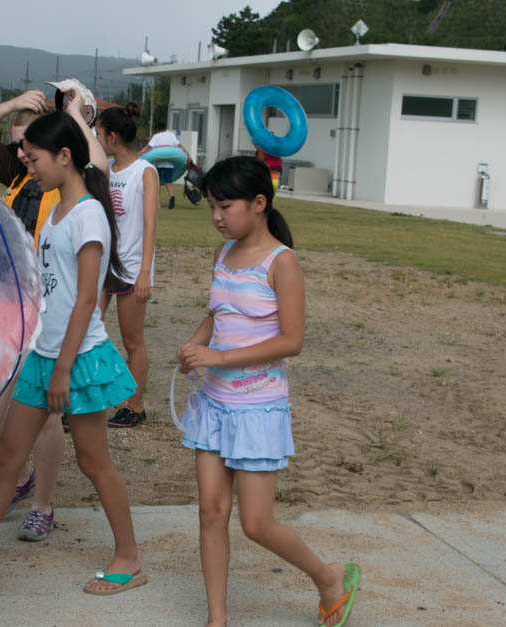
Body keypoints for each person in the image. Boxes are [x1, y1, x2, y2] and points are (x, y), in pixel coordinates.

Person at [0, 97, 146, 597]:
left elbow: (86, 300)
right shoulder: (55, 211)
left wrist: (61, 369)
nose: (28, 166)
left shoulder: (87, 216)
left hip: (76, 359)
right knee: (7, 459)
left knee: (94, 462)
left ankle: (129, 557)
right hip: (46, 354)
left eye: (34, 158)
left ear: (64, 155)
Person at [176, 155, 360, 627]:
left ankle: (328, 577)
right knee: (210, 512)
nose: (216, 217)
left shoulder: (283, 263)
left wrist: (220, 357)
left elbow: (291, 341)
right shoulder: (224, 254)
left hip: (258, 409)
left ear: (259, 203)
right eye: (212, 207)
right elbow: (219, 312)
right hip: (214, 406)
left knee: (256, 523)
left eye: (225, 206)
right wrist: (197, 343)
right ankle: (217, 619)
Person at [0, 89, 65, 541]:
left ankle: (43, 503)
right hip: (7, 302)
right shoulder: (17, 170)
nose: (22, 155)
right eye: (18, 145)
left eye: (31, 147)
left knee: (43, 408)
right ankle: (19, 472)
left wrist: (69, 114)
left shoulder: (70, 180)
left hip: (48, 306)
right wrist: (12, 106)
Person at [94, 102, 158, 428]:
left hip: (132, 268)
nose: (97, 137)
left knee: (133, 341)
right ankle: (85, 400)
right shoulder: (104, 167)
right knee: (87, 331)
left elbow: (149, 225)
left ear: (113, 136)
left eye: (100, 133)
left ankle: (134, 407)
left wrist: (145, 271)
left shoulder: (145, 172)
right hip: (105, 265)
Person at [141, 121, 188, 209]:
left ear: (157, 129)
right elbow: (179, 146)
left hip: (158, 163)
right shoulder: (171, 135)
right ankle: (172, 195)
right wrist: (187, 154)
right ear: (164, 128)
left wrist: (140, 154)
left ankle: (158, 203)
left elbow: (148, 147)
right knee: (168, 182)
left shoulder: (156, 136)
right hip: (169, 163)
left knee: (157, 182)